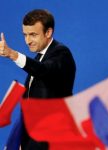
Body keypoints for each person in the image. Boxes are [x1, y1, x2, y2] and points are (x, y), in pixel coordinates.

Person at [0, 9, 76, 150]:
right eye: (25, 35)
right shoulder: (39, 57)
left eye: (33, 35)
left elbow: (44, 70)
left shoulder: (61, 54)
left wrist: (13, 54)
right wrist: (23, 138)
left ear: (48, 33)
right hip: (33, 138)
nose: (27, 41)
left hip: (53, 139)